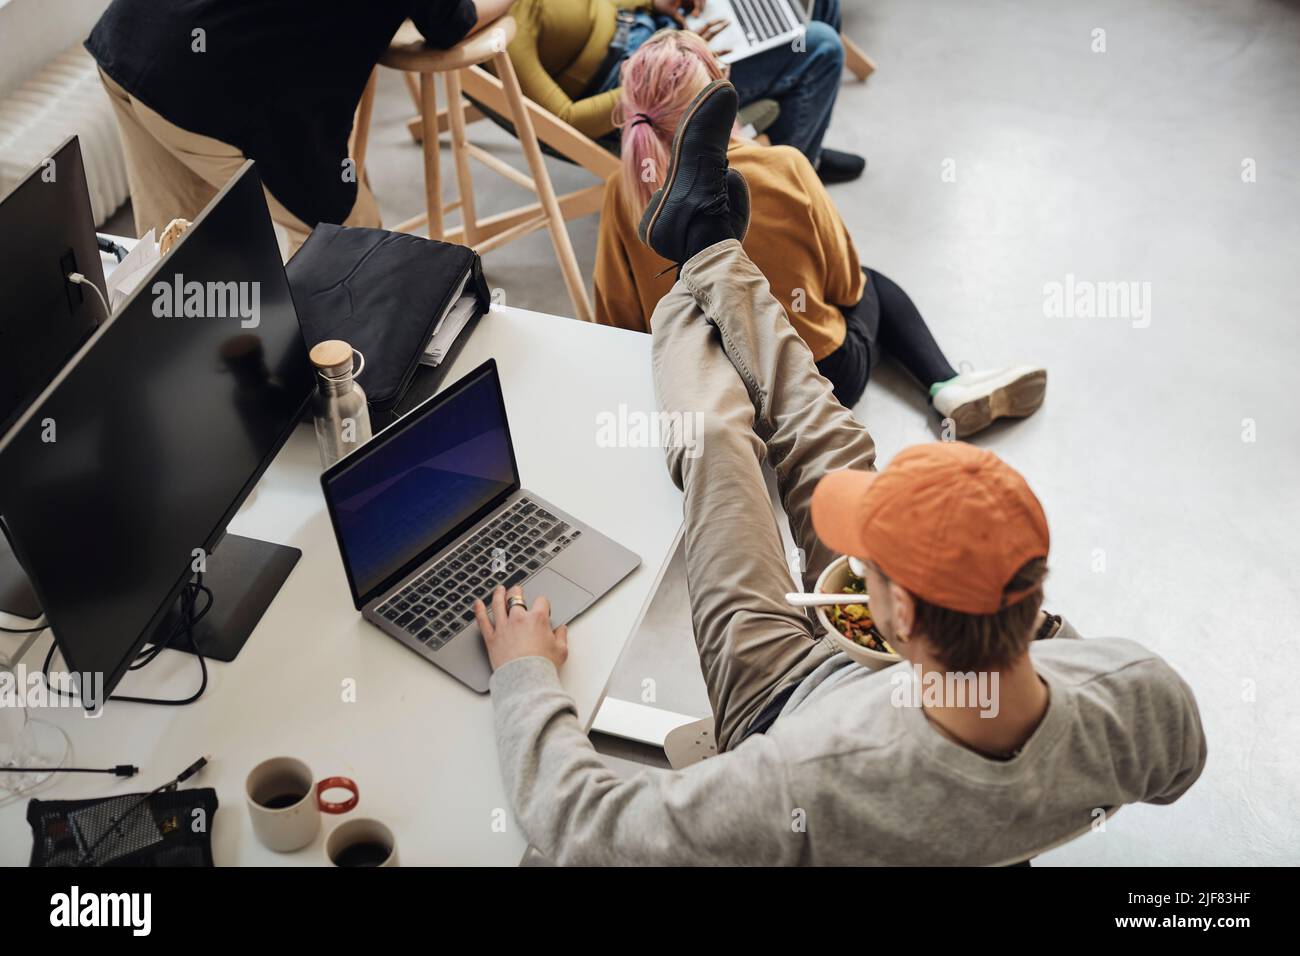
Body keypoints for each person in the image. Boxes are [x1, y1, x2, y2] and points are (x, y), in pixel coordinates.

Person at [474, 81, 1206, 866]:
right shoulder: (1144, 693)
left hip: (781, 697)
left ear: (895, 619)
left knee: (720, 448)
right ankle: (709, 246)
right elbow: (1172, 768)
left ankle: (692, 257)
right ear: (1030, 603)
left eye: (873, 569)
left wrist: (525, 677)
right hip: (954, 666)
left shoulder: (806, 780)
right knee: (833, 441)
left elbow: (585, 830)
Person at [595, 31, 1045, 436]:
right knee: (875, 285)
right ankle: (948, 384)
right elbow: (846, 284)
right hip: (816, 386)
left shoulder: (622, 191)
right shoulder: (783, 166)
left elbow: (617, 321)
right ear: (721, 97)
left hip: (710, 403)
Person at [86, 0, 514, 254]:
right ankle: (360, 391)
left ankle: (204, 384)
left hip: (131, 37)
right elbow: (451, 22)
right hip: (204, 86)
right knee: (353, 249)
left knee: (180, 249)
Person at [507, 0, 865, 182]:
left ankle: (800, 150)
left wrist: (653, 2)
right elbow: (563, 124)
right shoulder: (506, 27)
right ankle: (788, 183)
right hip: (646, 85)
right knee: (819, 47)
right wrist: (672, 69)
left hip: (658, 30)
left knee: (806, 11)